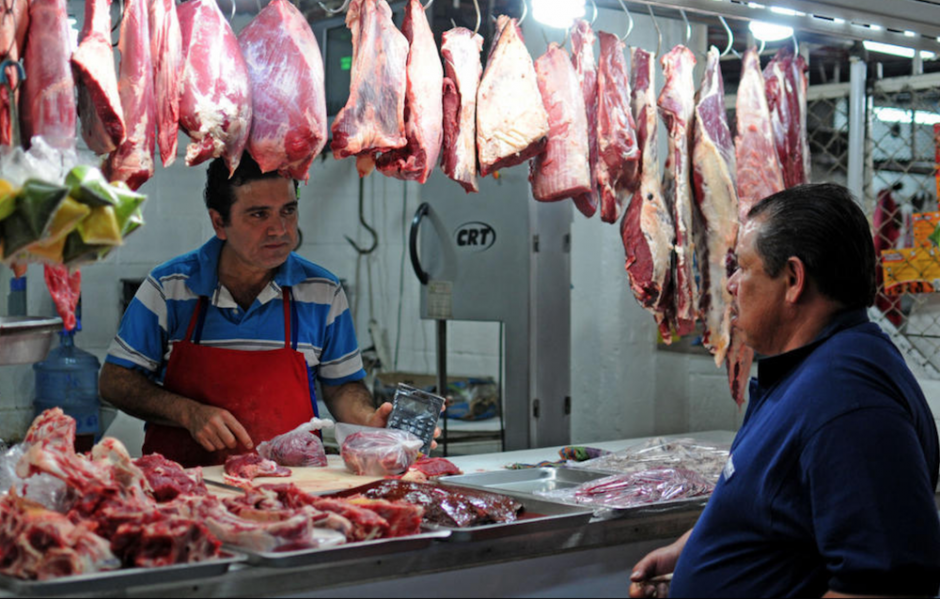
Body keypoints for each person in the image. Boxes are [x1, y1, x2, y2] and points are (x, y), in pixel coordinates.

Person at [629, 183, 940, 598]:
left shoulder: (847, 401)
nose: (732, 285)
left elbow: (882, 585)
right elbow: (777, 509)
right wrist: (687, 554)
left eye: (743, 267)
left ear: (793, 279)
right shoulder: (812, 369)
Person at [99, 153, 402, 467]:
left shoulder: (323, 291)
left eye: (288, 210)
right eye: (259, 215)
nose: (279, 230)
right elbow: (116, 382)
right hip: (186, 491)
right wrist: (186, 412)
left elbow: (341, 387)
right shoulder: (170, 287)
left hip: (293, 489)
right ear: (220, 223)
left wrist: (368, 421)